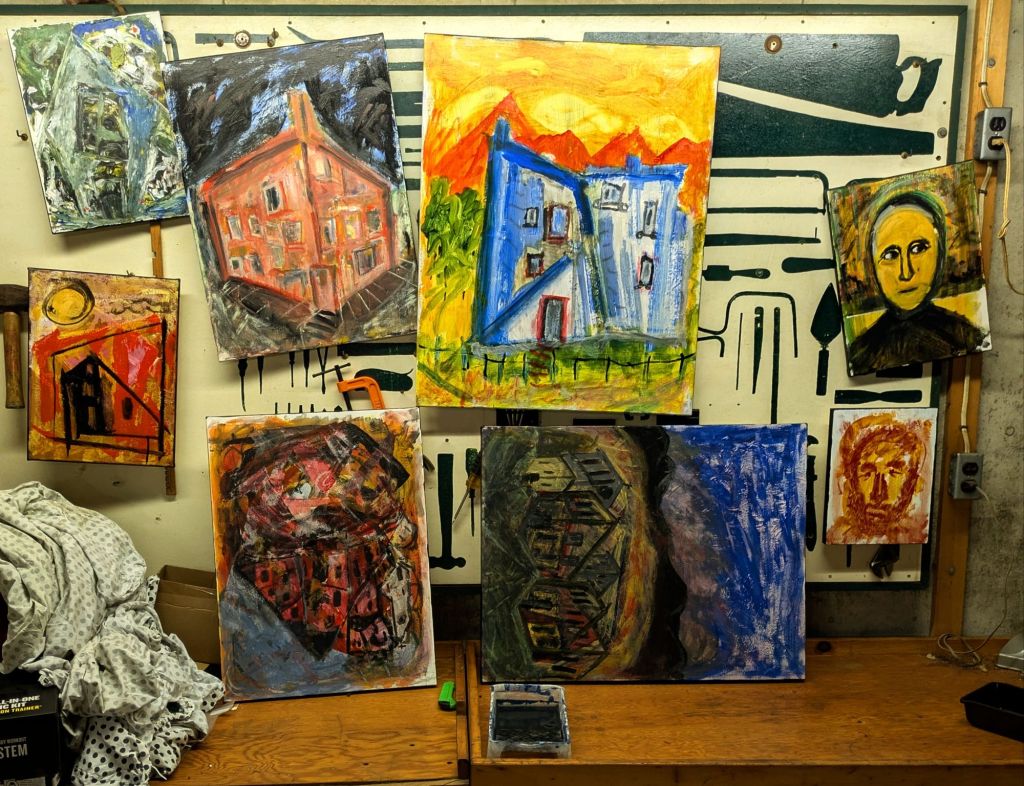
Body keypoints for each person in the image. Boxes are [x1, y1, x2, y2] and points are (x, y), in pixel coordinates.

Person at [846, 192, 988, 375]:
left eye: (918, 249)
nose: (906, 272)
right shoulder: (860, 355)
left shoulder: (969, 338)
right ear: (873, 265)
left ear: (940, 253)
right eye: (891, 255)